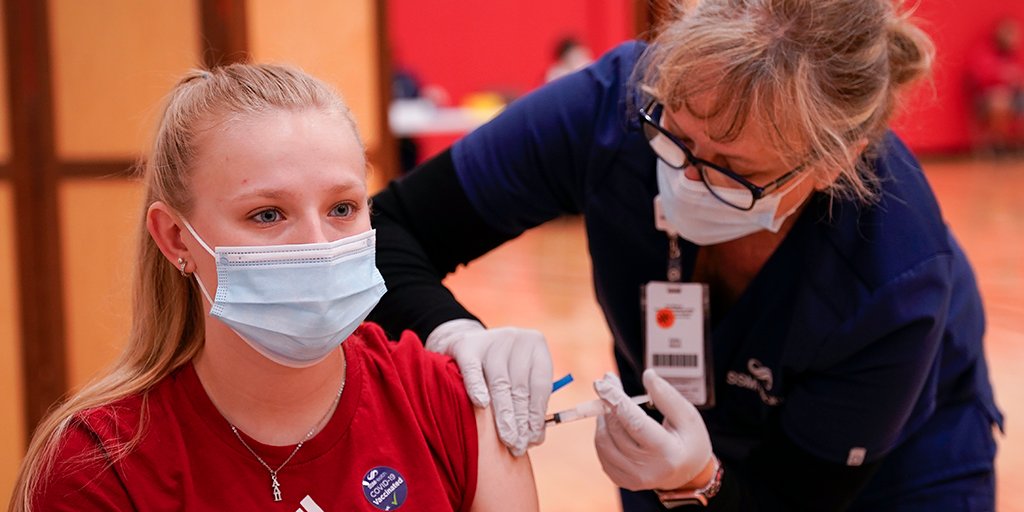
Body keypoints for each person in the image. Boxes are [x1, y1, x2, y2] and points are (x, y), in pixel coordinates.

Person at [367, 0, 1004, 510]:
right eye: (674, 133)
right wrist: (448, 332)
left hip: (895, 471)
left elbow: (799, 494)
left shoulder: (895, 272)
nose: (686, 178)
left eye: (732, 168)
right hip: (667, 432)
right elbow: (390, 229)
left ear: (830, 164)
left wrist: (699, 484)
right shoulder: (614, 103)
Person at [9, 63, 537, 512]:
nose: (317, 244)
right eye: (267, 214)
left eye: (343, 208)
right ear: (176, 239)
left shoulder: (452, 402)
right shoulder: (97, 467)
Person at [967, 18, 1024, 154]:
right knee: (999, 100)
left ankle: (1018, 144)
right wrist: (1002, 77)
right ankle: (998, 145)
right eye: (1008, 34)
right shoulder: (984, 54)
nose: (1012, 39)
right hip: (988, 100)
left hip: (1016, 97)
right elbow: (979, 79)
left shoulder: (1017, 56)